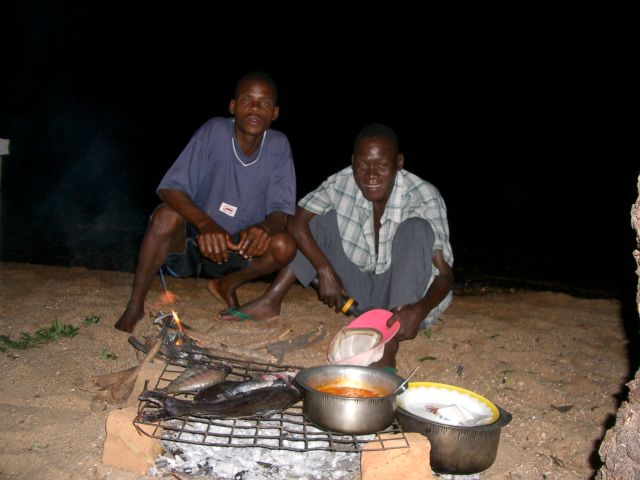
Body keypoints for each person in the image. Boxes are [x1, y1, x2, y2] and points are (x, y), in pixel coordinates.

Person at [217, 123, 454, 368]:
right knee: (320, 220)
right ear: (353, 162)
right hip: (360, 294)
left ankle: (388, 343)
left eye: (382, 165)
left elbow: (445, 276)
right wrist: (325, 271)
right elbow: (298, 220)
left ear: (399, 162)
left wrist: (419, 310)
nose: (371, 175)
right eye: (362, 165)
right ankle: (271, 300)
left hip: (407, 306)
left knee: (415, 227)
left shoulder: (423, 195)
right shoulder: (342, 182)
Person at [114, 71, 297, 332]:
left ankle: (229, 282)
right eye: (247, 100)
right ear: (233, 106)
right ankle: (135, 306)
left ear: (275, 113)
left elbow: (281, 212)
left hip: (240, 248)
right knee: (165, 215)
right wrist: (205, 224)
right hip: (196, 243)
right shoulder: (214, 131)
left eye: (265, 102)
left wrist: (265, 229)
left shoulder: (279, 145)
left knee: (285, 244)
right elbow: (169, 189)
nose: (255, 107)